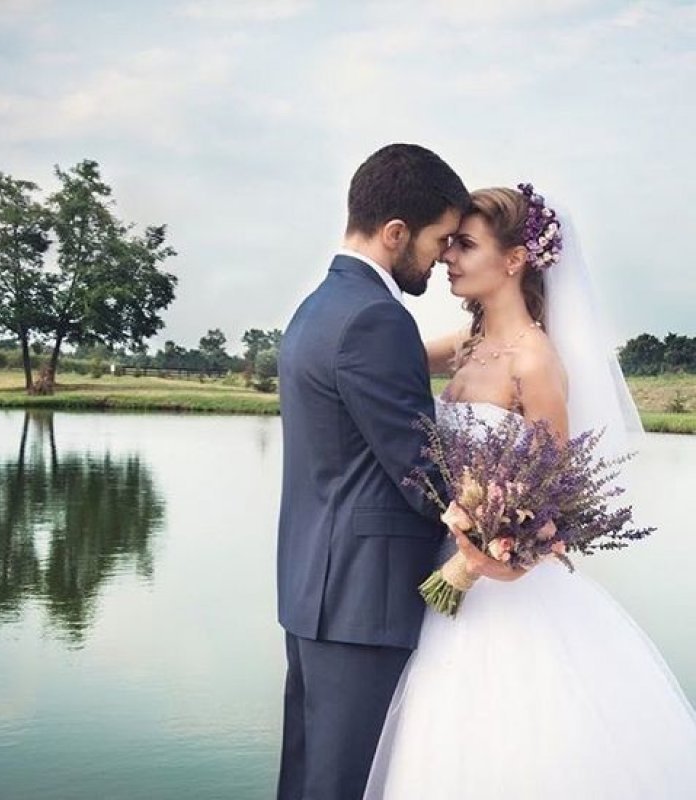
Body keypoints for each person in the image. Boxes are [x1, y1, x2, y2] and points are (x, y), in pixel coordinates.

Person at [362, 185, 696, 799]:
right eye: (449, 243)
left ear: (514, 260)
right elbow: (373, 353)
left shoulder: (535, 362)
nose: (447, 258)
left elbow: (557, 494)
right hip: (447, 581)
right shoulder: (465, 347)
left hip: (508, 597)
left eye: (465, 245)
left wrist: (514, 557)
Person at [275, 144, 525, 800]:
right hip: (364, 602)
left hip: (318, 593)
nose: (444, 256)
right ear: (395, 234)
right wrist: (500, 520)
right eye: (440, 240)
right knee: (345, 786)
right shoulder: (377, 318)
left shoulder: (320, 307)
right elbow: (423, 477)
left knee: (311, 781)